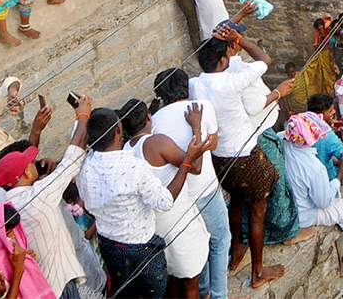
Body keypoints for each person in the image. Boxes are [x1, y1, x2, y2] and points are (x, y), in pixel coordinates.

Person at [191, 25, 291, 290]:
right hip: (244, 156)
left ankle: (236, 251)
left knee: (236, 200)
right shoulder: (230, 81)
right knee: (258, 210)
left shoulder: (196, 84)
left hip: (220, 159)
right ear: (224, 60)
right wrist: (239, 39)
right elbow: (265, 60)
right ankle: (257, 272)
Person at [76, 106, 208, 299]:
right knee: (154, 292)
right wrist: (186, 161)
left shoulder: (85, 167)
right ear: (118, 129)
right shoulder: (133, 166)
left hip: (109, 247)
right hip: (140, 249)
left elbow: (87, 202)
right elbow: (164, 202)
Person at [0, 94, 92, 299]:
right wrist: (82, 115)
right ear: (26, 174)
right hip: (60, 284)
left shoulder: (2, 201)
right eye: (30, 163)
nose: (35, 162)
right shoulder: (38, 196)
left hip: (38, 285)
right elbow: (72, 158)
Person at [120, 99, 212, 299]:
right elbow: (194, 166)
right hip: (177, 222)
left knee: (170, 281)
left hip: (153, 227)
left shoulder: (124, 151)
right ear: (148, 117)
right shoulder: (156, 142)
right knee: (190, 282)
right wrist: (196, 127)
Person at [152, 69, 231, 299]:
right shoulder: (201, 107)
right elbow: (213, 143)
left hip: (178, 195)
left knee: (199, 242)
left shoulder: (155, 121)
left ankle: (205, 290)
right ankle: (219, 294)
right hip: (203, 188)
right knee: (220, 239)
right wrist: (197, 144)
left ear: (160, 94)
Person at [283, 111, 343, 264]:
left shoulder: (284, 142)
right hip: (304, 214)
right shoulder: (315, 168)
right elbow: (323, 202)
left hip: (288, 204)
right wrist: (340, 175)